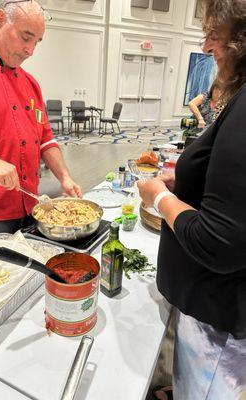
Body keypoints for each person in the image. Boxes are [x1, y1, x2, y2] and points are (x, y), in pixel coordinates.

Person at [138, 0, 246, 399]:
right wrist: (183, 177)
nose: (205, 48)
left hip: (219, 317)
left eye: (213, 37)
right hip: (214, 305)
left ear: (240, 42)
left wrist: (160, 196)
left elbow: (220, 240)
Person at [0, 0, 82, 243]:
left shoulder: (30, 83)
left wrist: (64, 177)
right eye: (26, 37)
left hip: (31, 206)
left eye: (37, 42)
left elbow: (46, 140)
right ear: (0, 21)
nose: (30, 50)